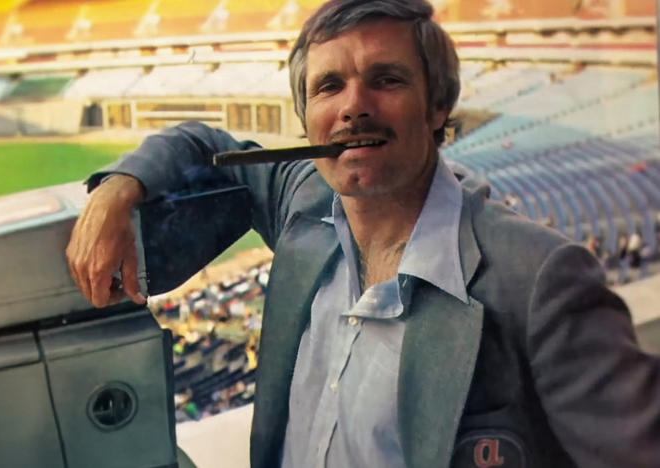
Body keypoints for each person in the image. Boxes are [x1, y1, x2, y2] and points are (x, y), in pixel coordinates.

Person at [66, 1, 660, 467]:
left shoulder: (540, 279)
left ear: (437, 106)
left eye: (387, 80)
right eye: (329, 87)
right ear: (305, 120)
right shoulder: (302, 200)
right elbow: (207, 147)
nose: (354, 107)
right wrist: (121, 185)